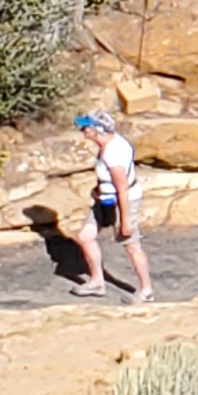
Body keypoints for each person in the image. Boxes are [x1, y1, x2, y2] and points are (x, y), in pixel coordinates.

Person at [72, 110, 150, 302]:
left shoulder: (113, 154)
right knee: (84, 237)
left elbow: (122, 189)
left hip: (123, 201)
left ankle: (146, 291)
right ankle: (97, 282)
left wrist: (125, 222)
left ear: (96, 130)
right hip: (105, 199)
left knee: (131, 246)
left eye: (85, 127)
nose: (82, 130)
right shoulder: (109, 144)